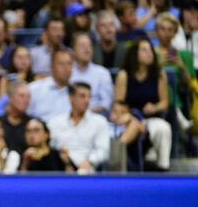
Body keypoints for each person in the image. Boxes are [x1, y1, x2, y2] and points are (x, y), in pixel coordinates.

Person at [114, 38, 172, 171]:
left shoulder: (159, 74)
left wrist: (154, 107)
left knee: (164, 128)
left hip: (150, 119)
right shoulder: (124, 75)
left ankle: (163, 167)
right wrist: (128, 116)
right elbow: (118, 103)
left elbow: (165, 102)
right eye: (144, 50)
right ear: (135, 54)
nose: (149, 53)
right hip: (129, 119)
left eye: (150, 50)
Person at [48, 83, 111, 173]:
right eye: (82, 96)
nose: (87, 100)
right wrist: (60, 154)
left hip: (87, 167)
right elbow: (50, 146)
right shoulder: (55, 122)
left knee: (83, 172)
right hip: (59, 166)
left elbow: (103, 151)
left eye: (89, 96)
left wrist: (89, 161)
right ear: (71, 98)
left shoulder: (99, 121)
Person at [69, 32, 114, 114]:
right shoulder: (67, 72)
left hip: (96, 115)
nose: (87, 49)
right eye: (82, 46)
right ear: (73, 51)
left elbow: (106, 103)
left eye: (89, 46)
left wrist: (87, 114)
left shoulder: (102, 73)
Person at [28, 49, 73, 122]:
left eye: (69, 64)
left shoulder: (76, 92)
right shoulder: (34, 89)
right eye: (61, 64)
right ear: (52, 67)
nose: (66, 68)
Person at [108, 100, 147, 171]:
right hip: (103, 153)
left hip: (121, 158)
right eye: (115, 111)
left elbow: (143, 130)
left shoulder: (129, 125)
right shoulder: (103, 124)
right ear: (110, 113)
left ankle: (116, 149)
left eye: (122, 112)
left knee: (134, 125)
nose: (118, 115)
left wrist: (131, 118)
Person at [0, 81, 32, 157]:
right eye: (22, 96)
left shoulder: (34, 124)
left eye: (28, 96)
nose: (26, 100)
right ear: (10, 98)